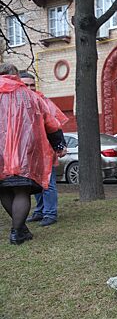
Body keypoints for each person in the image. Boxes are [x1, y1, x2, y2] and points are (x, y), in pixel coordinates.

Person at [0, 63, 66, 245]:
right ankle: (17, 231)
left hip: (0, 155)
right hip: (24, 154)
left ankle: (20, 229)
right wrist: (58, 145)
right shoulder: (31, 97)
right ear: (16, 75)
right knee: (21, 190)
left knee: (3, 189)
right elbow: (51, 124)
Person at [19, 71, 68, 227]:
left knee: (48, 183)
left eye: (32, 85)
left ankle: (50, 213)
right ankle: (40, 211)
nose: (29, 88)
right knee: (34, 183)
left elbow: (55, 126)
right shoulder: (16, 103)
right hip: (29, 153)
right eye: (25, 84)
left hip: (46, 151)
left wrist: (60, 146)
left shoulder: (43, 101)